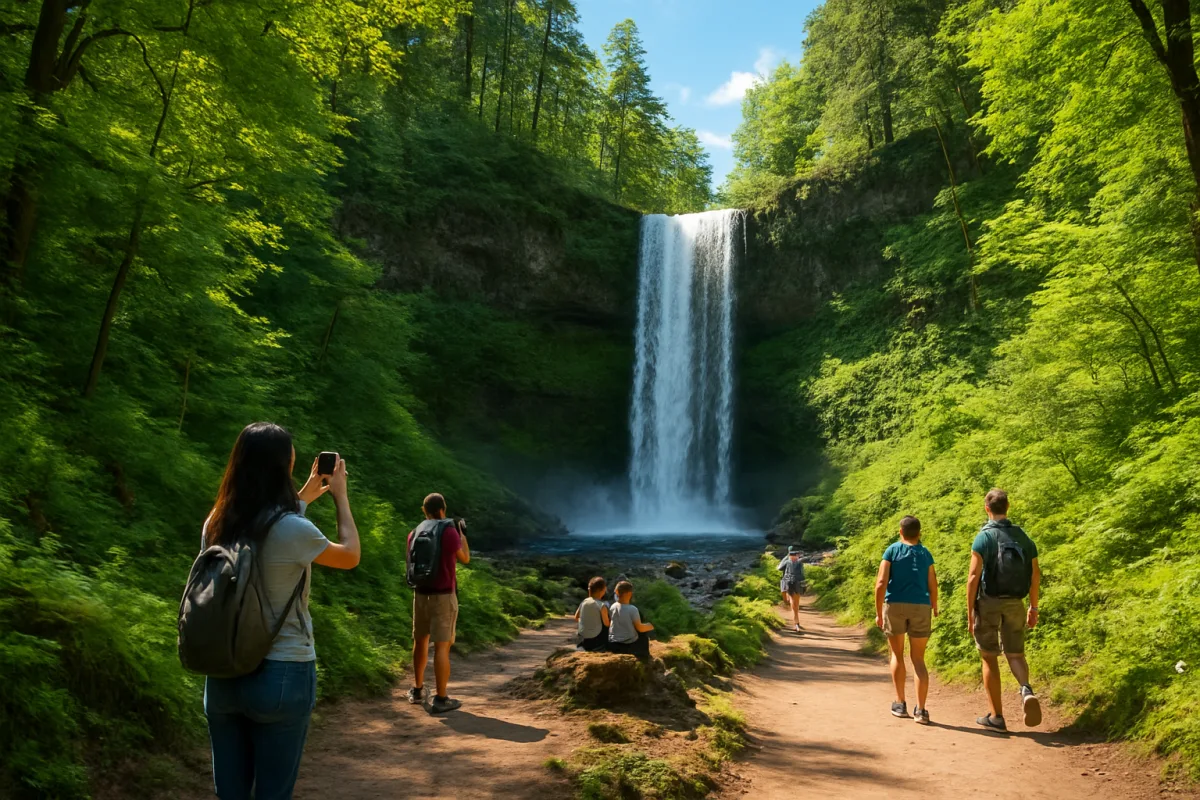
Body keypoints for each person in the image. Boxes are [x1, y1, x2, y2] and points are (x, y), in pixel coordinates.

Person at [202, 422, 361, 800]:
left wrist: (305, 494)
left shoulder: (216, 522)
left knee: (231, 793)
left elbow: (264, 523)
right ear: (282, 468)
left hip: (223, 671)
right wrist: (340, 497)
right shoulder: (295, 529)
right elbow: (350, 555)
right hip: (283, 672)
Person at [967, 489, 1042, 732]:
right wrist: (1033, 607)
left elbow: (973, 577)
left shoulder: (983, 538)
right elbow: (1035, 574)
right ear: (1008, 507)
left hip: (989, 601)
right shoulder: (1022, 537)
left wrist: (970, 610)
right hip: (1016, 603)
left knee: (989, 657)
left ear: (986, 508)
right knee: (1016, 654)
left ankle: (996, 716)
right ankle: (1026, 689)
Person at [406, 493, 469, 714]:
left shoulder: (414, 532)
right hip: (443, 596)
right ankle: (441, 698)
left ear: (424, 511)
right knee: (442, 647)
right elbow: (464, 558)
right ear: (443, 509)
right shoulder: (449, 531)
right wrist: (462, 534)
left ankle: (417, 690)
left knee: (420, 641)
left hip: (420, 593)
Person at [874, 515, 938, 724]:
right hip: (921, 606)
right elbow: (932, 583)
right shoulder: (926, 554)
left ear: (900, 532)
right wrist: (934, 606)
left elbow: (881, 582)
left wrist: (878, 611)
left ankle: (900, 703)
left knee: (897, 654)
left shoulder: (892, 550)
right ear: (919, 533)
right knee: (918, 659)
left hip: (895, 606)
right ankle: (921, 710)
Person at [608, 580, 654, 660]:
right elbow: (640, 628)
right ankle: (644, 657)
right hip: (628, 645)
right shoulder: (633, 609)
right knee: (643, 635)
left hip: (613, 643)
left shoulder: (613, 606)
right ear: (629, 594)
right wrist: (650, 626)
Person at [576, 576, 612, 652]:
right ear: (603, 590)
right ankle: (602, 648)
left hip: (582, 639)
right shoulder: (602, 605)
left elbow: (576, 617)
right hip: (596, 641)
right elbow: (607, 624)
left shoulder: (584, 601)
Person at [777, 545, 807, 632]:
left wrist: (786, 558)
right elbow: (802, 573)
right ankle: (796, 622)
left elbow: (779, 568)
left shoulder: (787, 560)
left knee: (792, 601)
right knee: (796, 603)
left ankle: (796, 622)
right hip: (799, 582)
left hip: (789, 582)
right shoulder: (800, 561)